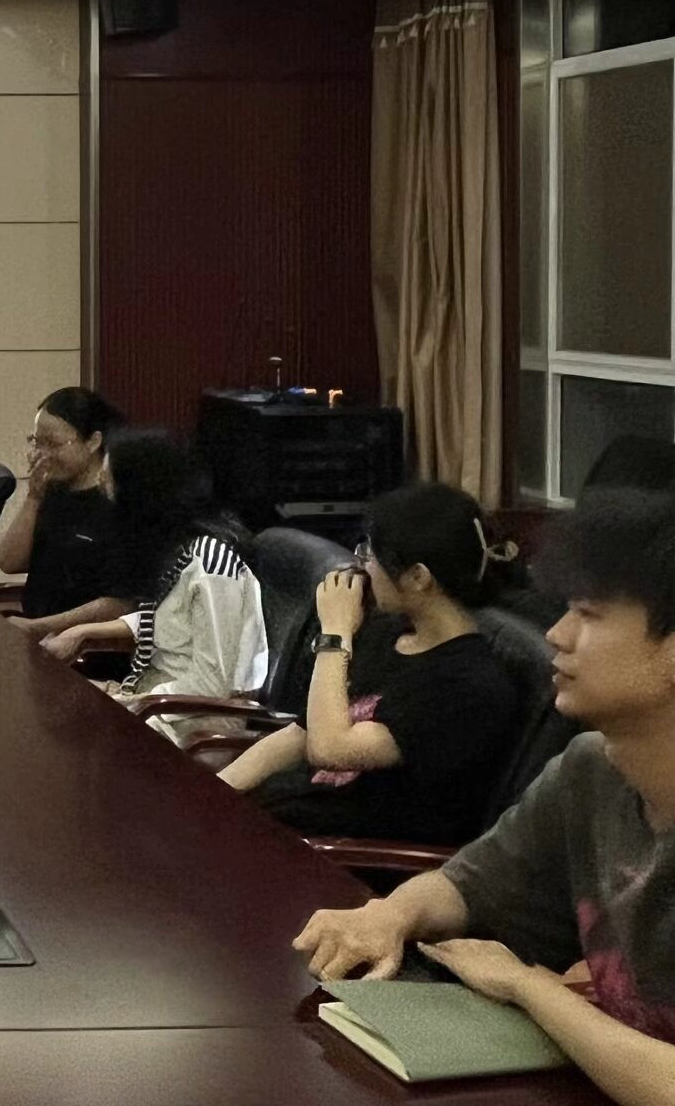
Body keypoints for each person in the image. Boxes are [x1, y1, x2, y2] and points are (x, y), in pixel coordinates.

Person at [292, 489, 675, 1106]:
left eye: (589, 615)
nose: (556, 634)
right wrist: (389, 916)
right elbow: (467, 883)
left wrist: (527, 987)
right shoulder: (588, 770)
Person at [219, 483, 522, 843]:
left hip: (347, 852)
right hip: (293, 816)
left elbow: (330, 750)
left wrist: (335, 634)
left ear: (418, 577)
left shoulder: (469, 686)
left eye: (370, 555)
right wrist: (215, 792)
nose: (362, 565)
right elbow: (301, 734)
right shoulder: (387, 631)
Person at [39, 433, 267, 730]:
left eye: (108, 487)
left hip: (195, 718)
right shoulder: (172, 548)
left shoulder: (211, 565)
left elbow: (212, 685)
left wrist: (128, 700)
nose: (104, 499)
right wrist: (82, 632)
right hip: (159, 698)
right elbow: (172, 620)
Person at [0, 387, 135, 638]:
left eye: (53, 444)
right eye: (37, 442)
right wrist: (33, 497)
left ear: (93, 442)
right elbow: (10, 562)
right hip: (36, 630)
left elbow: (118, 604)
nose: (42, 454)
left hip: (85, 643)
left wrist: (39, 627)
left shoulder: (118, 503)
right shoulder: (53, 488)